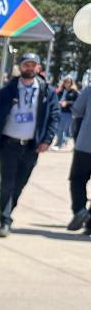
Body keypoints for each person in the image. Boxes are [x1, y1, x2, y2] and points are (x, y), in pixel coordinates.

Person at [0, 52, 57, 238]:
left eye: (33, 65)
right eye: (26, 65)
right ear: (20, 67)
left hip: (31, 146)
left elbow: (54, 117)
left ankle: (8, 212)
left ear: (39, 68)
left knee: (19, 184)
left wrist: (47, 140)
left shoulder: (46, 91)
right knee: (7, 184)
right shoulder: (7, 91)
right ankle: (4, 220)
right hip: (9, 143)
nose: (30, 68)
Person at [68, 85, 91, 233]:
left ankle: (80, 210)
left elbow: (77, 111)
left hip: (85, 144)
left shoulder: (89, 90)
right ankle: (90, 224)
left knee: (77, 179)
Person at [55, 77, 79, 149]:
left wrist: (67, 103)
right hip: (59, 111)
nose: (66, 83)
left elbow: (78, 102)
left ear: (71, 83)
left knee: (64, 128)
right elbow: (56, 99)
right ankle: (60, 142)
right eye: (65, 82)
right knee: (59, 128)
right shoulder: (61, 91)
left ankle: (59, 144)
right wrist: (58, 102)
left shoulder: (74, 92)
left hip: (69, 112)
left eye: (68, 82)